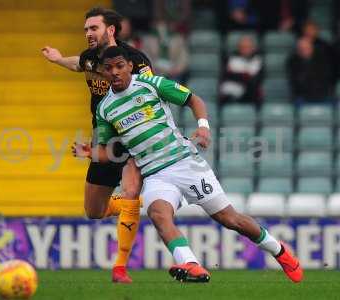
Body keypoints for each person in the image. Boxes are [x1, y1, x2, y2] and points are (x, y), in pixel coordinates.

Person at [73, 46, 304, 283]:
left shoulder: (152, 85)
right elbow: (109, 152)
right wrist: (91, 153)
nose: (115, 72)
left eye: (120, 66)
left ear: (130, 66)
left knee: (230, 219)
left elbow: (194, 100)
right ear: (103, 70)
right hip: (154, 174)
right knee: (158, 214)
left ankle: (280, 251)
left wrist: (203, 126)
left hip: (185, 163)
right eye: (109, 68)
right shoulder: (105, 108)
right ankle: (191, 264)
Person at [42, 7, 152, 283]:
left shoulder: (135, 60)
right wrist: (56, 59)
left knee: (130, 190)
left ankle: (120, 268)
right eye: (86, 30)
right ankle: (130, 205)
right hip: (104, 139)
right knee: (94, 211)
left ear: (110, 30)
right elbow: (77, 63)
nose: (88, 34)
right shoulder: (90, 58)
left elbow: (154, 91)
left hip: (133, 133)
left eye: (93, 28)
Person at [286, 37, 333, 103]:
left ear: (312, 48)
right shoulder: (293, 61)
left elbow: (325, 77)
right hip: (302, 94)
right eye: (301, 49)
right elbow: (295, 81)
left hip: (322, 93)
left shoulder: (321, 60)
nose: (304, 51)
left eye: (306, 48)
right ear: (298, 50)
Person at [219, 35, 263, 106]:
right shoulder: (232, 58)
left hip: (250, 94)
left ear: (253, 48)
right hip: (232, 93)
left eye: (248, 47)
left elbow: (256, 78)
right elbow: (228, 76)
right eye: (243, 47)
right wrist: (246, 75)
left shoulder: (257, 59)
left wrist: (240, 74)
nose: (245, 49)